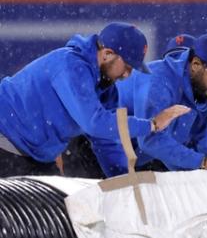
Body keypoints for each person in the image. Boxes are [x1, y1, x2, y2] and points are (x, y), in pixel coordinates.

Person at [0, 23, 188, 177]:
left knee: (59, 217)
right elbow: (94, 123)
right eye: (127, 66)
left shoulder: (106, 91)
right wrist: (152, 125)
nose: (127, 74)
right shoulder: (70, 65)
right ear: (107, 54)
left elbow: (106, 142)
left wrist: (125, 180)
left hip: (34, 155)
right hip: (5, 140)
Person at [88, 33, 207, 175]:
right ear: (196, 64)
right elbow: (150, 140)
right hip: (91, 150)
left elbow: (205, 134)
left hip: (130, 159)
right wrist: (201, 162)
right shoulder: (158, 80)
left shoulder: (201, 91)